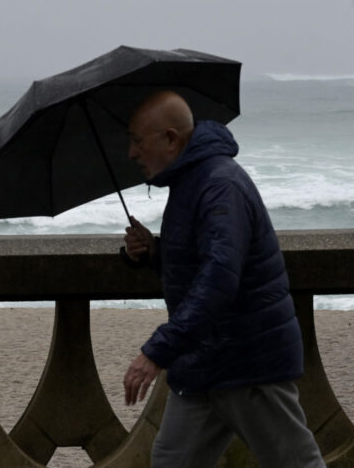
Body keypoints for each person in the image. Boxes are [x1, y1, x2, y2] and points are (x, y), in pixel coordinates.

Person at [121, 91, 325, 467]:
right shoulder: (191, 181)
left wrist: (156, 352)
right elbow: (206, 259)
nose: (132, 154)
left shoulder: (219, 185)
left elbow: (219, 279)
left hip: (249, 361)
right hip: (204, 363)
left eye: (137, 141)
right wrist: (155, 252)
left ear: (170, 138)